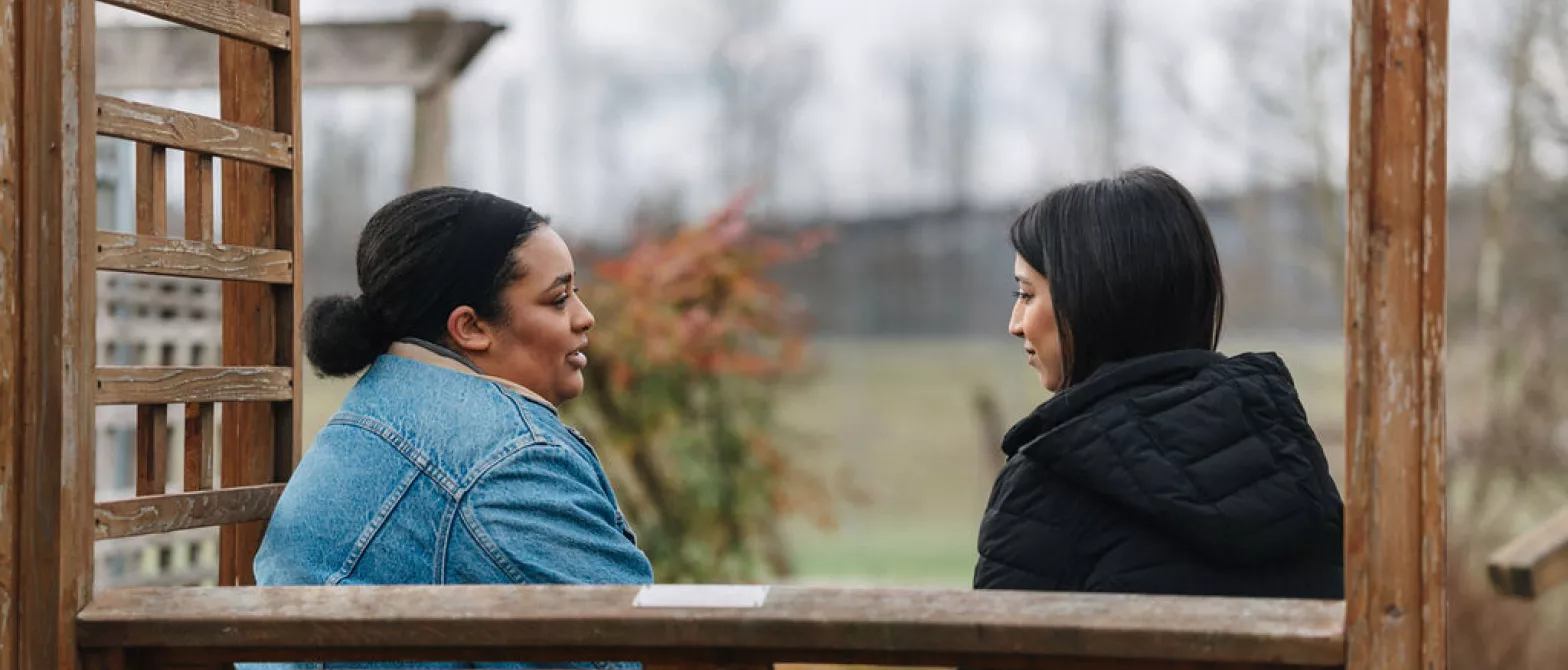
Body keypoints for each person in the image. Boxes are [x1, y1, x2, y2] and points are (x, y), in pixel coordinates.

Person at [251, 187, 652, 668]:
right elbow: (628, 653)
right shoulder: (511, 459)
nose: (585, 317)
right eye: (558, 298)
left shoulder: (382, 404)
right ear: (470, 328)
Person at [973, 167, 1344, 598]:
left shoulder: (1046, 487)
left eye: (1027, 293)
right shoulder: (1283, 460)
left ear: (1091, 301)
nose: (1015, 324)